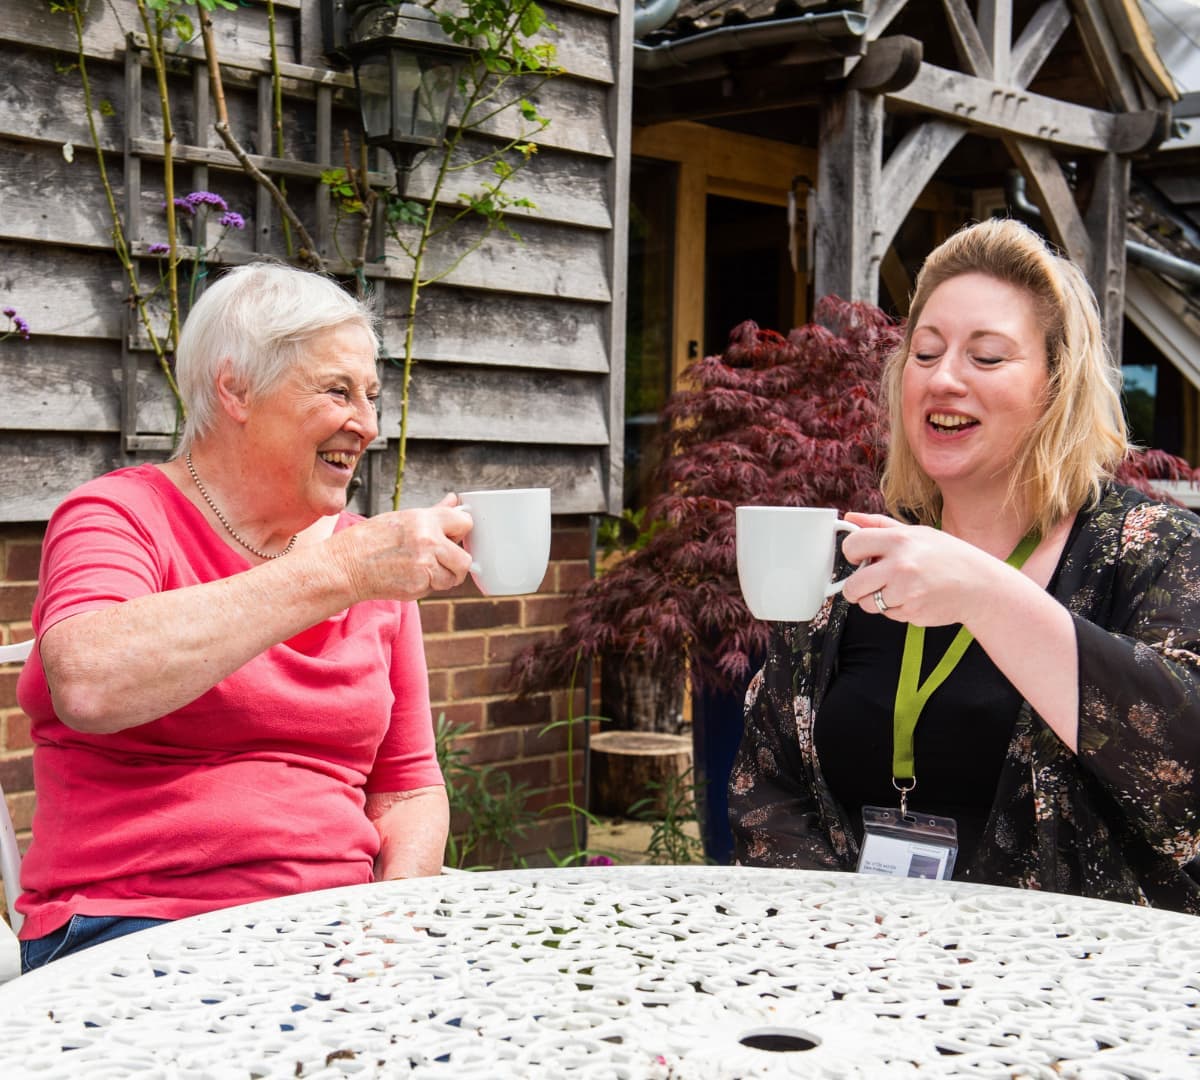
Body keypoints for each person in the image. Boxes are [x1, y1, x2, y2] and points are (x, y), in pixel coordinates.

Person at [728, 217, 1200, 912]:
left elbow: (1183, 770)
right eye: (925, 353)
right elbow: (764, 784)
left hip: (1077, 989)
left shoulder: (1152, 549)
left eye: (986, 357)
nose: (944, 379)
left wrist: (985, 594)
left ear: (1055, 385)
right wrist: (843, 933)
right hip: (859, 976)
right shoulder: (851, 561)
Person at [15, 262, 475, 970]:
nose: (369, 424)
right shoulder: (118, 516)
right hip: (136, 925)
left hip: (338, 929)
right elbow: (89, 682)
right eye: (337, 391)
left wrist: (394, 923)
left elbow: (408, 785)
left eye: (372, 396)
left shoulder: (370, 560)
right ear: (235, 388)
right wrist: (342, 573)